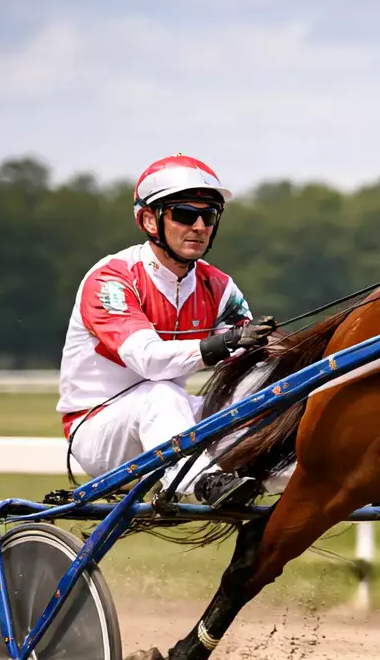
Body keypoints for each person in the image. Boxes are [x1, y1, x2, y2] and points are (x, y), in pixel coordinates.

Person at [57, 154, 273, 509]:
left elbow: (249, 361)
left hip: (168, 423)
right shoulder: (111, 280)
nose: (200, 226)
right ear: (149, 220)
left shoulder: (219, 286)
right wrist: (224, 343)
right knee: (160, 393)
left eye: (210, 215)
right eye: (186, 214)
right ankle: (203, 482)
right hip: (98, 431)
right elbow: (149, 362)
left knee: (260, 399)